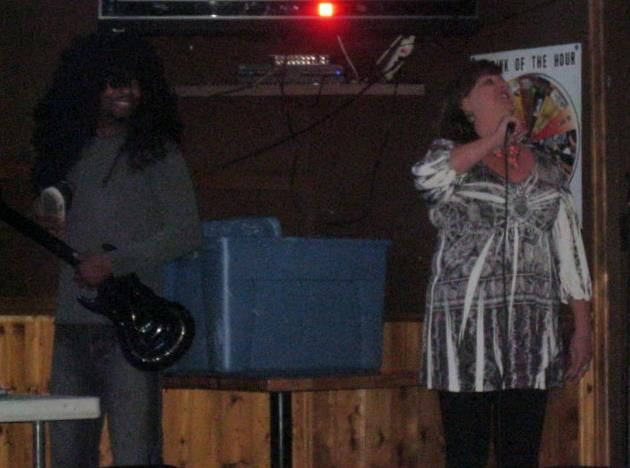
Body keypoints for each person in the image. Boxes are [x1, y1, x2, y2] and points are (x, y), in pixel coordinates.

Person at [31, 31, 201, 467]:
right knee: (68, 457)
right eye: (115, 81)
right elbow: (58, 215)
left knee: (135, 455)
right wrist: (49, 215)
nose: (127, 92)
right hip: (72, 326)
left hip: (131, 327)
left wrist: (112, 263)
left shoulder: (159, 154)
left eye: (135, 83)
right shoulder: (69, 154)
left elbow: (186, 232)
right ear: (89, 85)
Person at [411, 59, 592, 468]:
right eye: (489, 82)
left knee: (521, 454)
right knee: (467, 454)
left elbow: (569, 250)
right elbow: (425, 177)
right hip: (466, 336)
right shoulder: (450, 158)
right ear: (465, 103)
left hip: (530, 336)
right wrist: (493, 140)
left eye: (502, 81)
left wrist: (582, 327)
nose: (502, 87)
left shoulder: (545, 166)